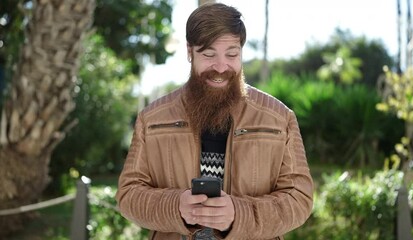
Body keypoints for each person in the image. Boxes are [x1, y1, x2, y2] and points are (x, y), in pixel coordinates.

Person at [116, 3, 314, 240]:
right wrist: (176, 208)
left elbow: (299, 199)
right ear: (190, 52)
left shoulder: (280, 118)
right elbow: (128, 195)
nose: (221, 67)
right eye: (209, 54)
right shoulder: (151, 119)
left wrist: (238, 215)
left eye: (232, 54)